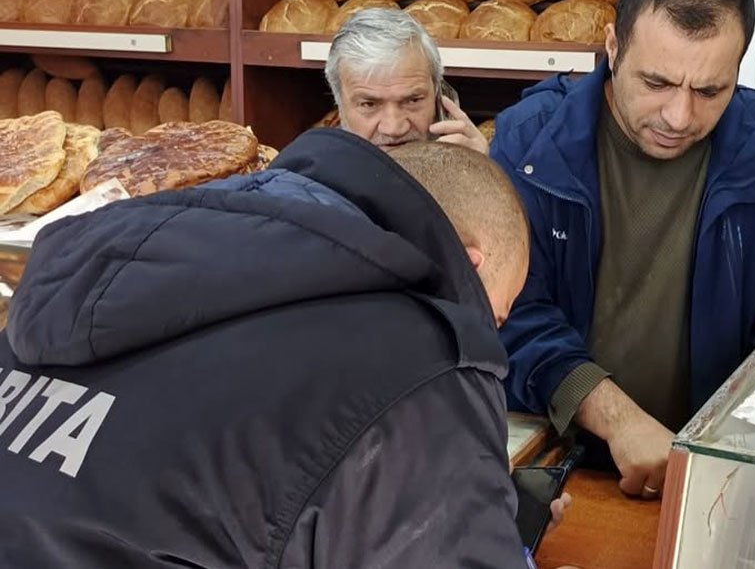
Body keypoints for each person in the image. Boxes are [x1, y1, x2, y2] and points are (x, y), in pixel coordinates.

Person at [0, 132, 542, 567]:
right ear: (470, 264)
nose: (489, 332)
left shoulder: (87, 270)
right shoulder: (416, 360)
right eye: (494, 314)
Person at [490, 0, 755, 500]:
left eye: (710, 90)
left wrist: (716, 452)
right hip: (556, 464)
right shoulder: (530, 140)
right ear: (612, 46)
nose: (679, 117)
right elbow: (513, 316)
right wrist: (618, 419)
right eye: (655, 83)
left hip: (719, 471)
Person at [325, 8, 489, 153]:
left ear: (439, 97)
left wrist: (479, 175)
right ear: (339, 104)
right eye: (369, 104)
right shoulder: (311, 184)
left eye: (413, 100)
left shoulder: (469, 168)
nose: (394, 128)